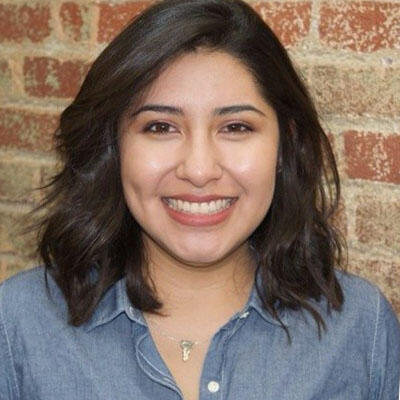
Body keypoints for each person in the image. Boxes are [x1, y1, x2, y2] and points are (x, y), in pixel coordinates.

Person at [0, 0, 399, 398]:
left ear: (285, 144)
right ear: (113, 146)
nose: (199, 169)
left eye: (236, 127)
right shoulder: (18, 323)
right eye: (160, 127)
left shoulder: (361, 329)